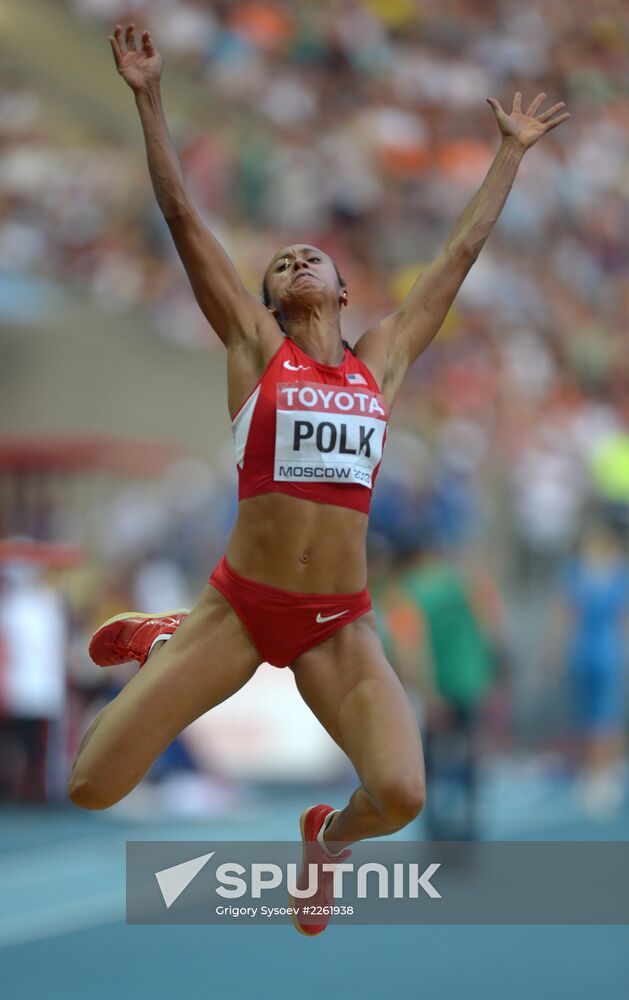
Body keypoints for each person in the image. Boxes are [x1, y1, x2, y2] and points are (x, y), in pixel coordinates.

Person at [67, 22, 569, 935]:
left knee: (402, 795)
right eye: (277, 265)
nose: (293, 261)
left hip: (340, 621)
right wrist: (147, 98)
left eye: (310, 258)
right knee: (91, 787)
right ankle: (164, 639)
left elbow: (453, 262)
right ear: (268, 304)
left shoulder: (381, 360)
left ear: (343, 290)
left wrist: (509, 154)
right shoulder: (254, 349)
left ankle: (326, 837)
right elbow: (184, 221)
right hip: (239, 607)